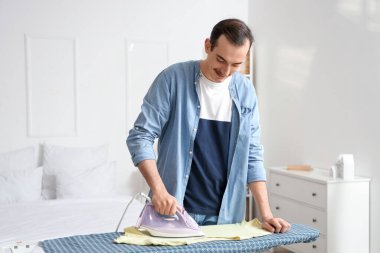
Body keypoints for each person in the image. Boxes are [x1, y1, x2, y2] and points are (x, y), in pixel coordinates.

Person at [127, 18, 290, 233]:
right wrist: (159, 191)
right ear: (207, 46)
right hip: (174, 211)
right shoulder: (172, 79)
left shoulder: (246, 91)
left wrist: (266, 214)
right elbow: (140, 137)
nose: (226, 70)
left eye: (236, 65)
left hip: (227, 215)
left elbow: (252, 153)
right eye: (221, 59)